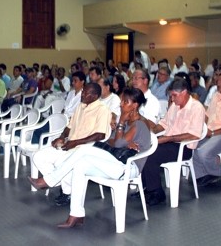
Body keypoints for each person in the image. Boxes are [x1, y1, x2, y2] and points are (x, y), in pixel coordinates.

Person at [28, 87, 151, 228]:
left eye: (125, 101)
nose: (121, 104)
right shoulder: (127, 123)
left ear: (135, 105)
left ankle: (49, 180)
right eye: (122, 100)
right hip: (114, 162)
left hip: (128, 167)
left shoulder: (140, 123)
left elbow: (116, 143)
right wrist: (124, 140)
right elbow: (109, 140)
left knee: (85, 149)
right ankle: (76, 215)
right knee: (80, 165)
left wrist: (121, 123)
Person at [32, 82, 111, 207]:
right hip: (69, 145)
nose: (82, 94)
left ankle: (67, 192)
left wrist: (76, 142)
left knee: (61, 162)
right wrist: (61, 137)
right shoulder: (81, 106)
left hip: (84, 148)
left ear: (95, 96)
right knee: (38, 156)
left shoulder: (103, 109)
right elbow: (69, 126)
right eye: (83, 91)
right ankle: (56, 180)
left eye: (85, 93)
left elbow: (100, 135)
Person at [142, 78, 205, 206]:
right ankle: (146, 187)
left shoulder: (197, 107)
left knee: (151, 155)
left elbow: (193, 134)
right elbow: (164, 124)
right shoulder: (175, 106)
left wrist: (168, 138)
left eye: (174, 96)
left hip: (184, 147)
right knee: (144, 149)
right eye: (171, 96)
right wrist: (153, 132)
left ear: (184, 92)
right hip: (169, 142)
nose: (172, 99)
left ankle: (157, 193)